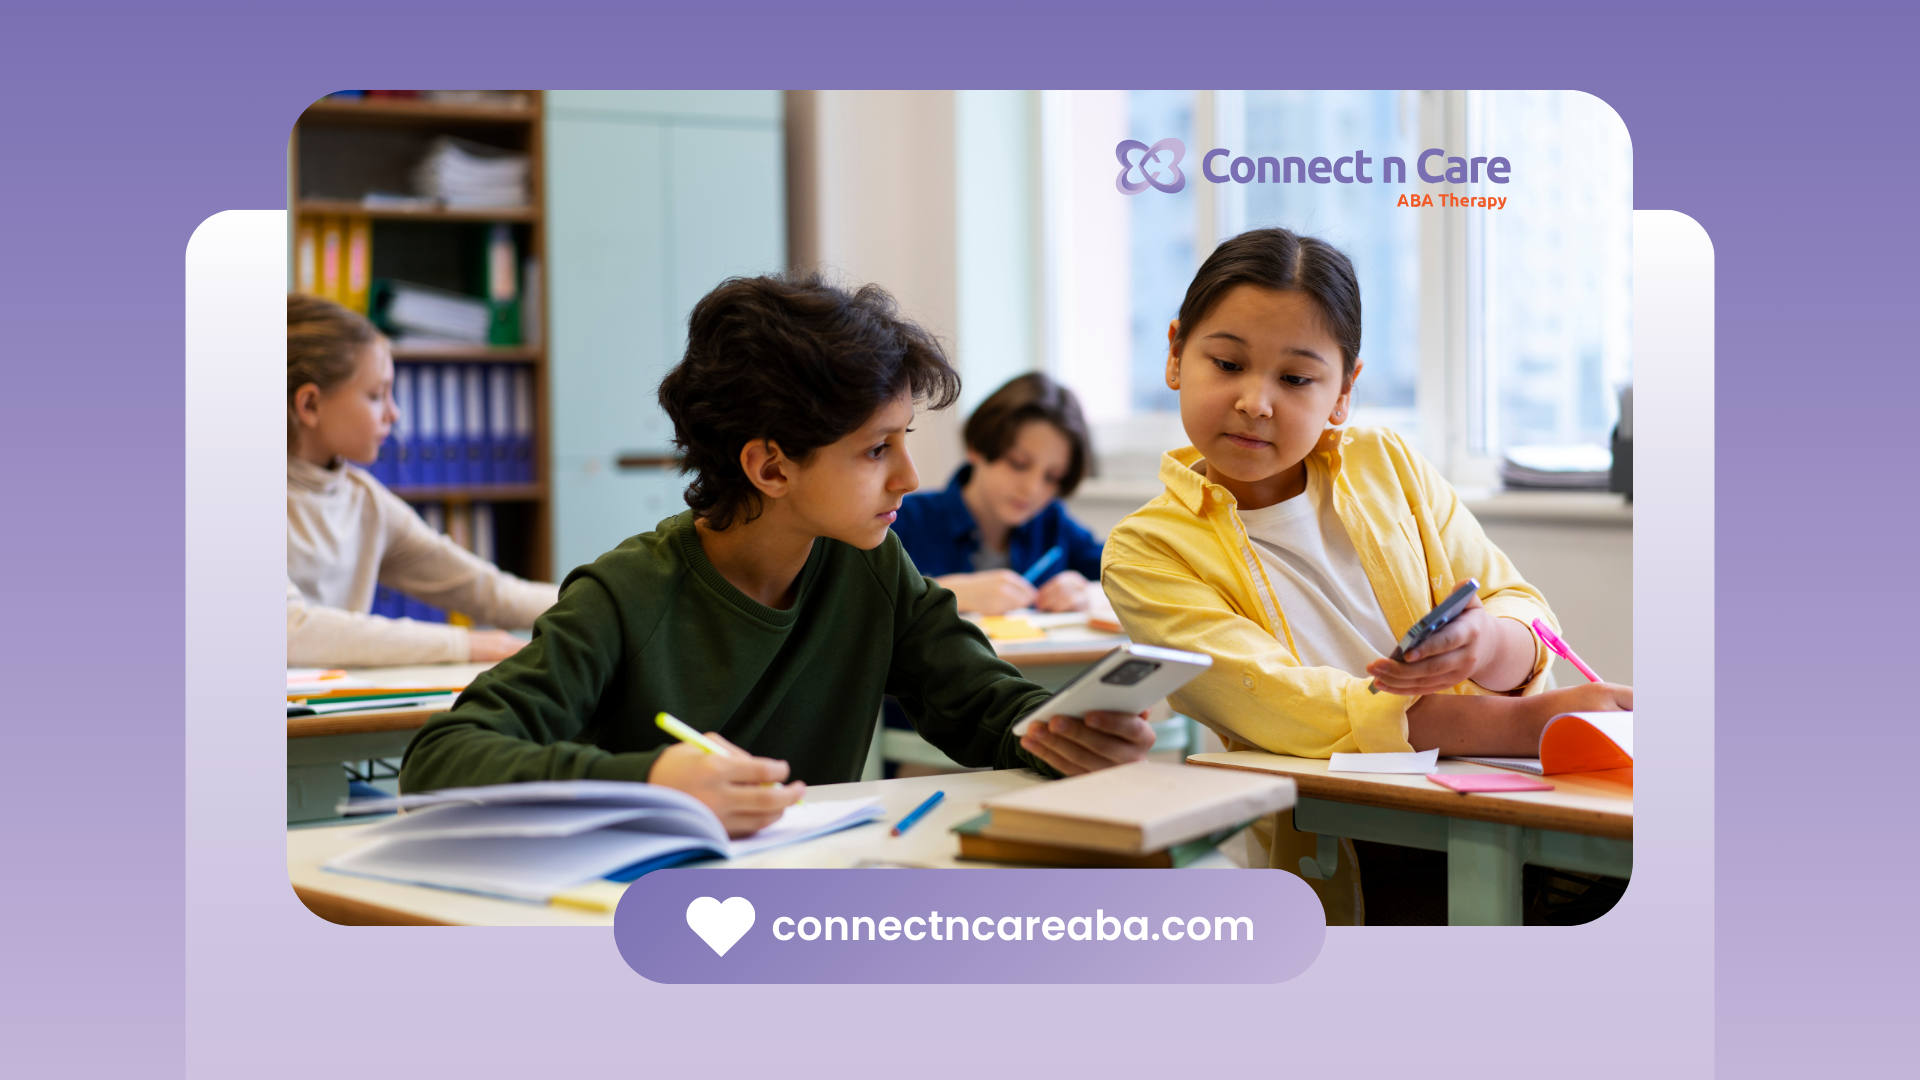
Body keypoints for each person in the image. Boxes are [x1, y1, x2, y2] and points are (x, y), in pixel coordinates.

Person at [400, 274, 1156, 835]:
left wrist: (1062, 733)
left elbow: (986, 704)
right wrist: (657, 779)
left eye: (906, 441)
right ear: (770, 467)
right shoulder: (625, 593)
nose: (911, 477)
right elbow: (442, 759)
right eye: (875, 449)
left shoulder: (873, 567)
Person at [1099, 228, 1632, 918]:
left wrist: (1490, 644)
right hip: (1349, 847)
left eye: (1295, 379)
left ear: (1343, 391)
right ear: (1175, 353)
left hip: (1509, 798)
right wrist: (1527, 722)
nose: (1256, 402)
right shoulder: (1148, 549)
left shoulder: (1387, 463)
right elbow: (1290, 709)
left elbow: (1514, 600)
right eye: (1227, 363)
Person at [286, 294, 556, 667]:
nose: (394, 414)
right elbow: (290, 631)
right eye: (377, 395)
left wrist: (609, 596)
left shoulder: (365, 502)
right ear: (310, 405)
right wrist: (468, 645)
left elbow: (489, 593)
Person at [891, 373, 1104, 615]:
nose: (1032, 489)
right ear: (976, 447)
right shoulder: (902, 521)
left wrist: (1087, 592)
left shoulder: (1053, 524)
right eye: (1018, 463)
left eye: (1052, 477)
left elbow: (1128, 575)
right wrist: (944, 593)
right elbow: (857, 606)